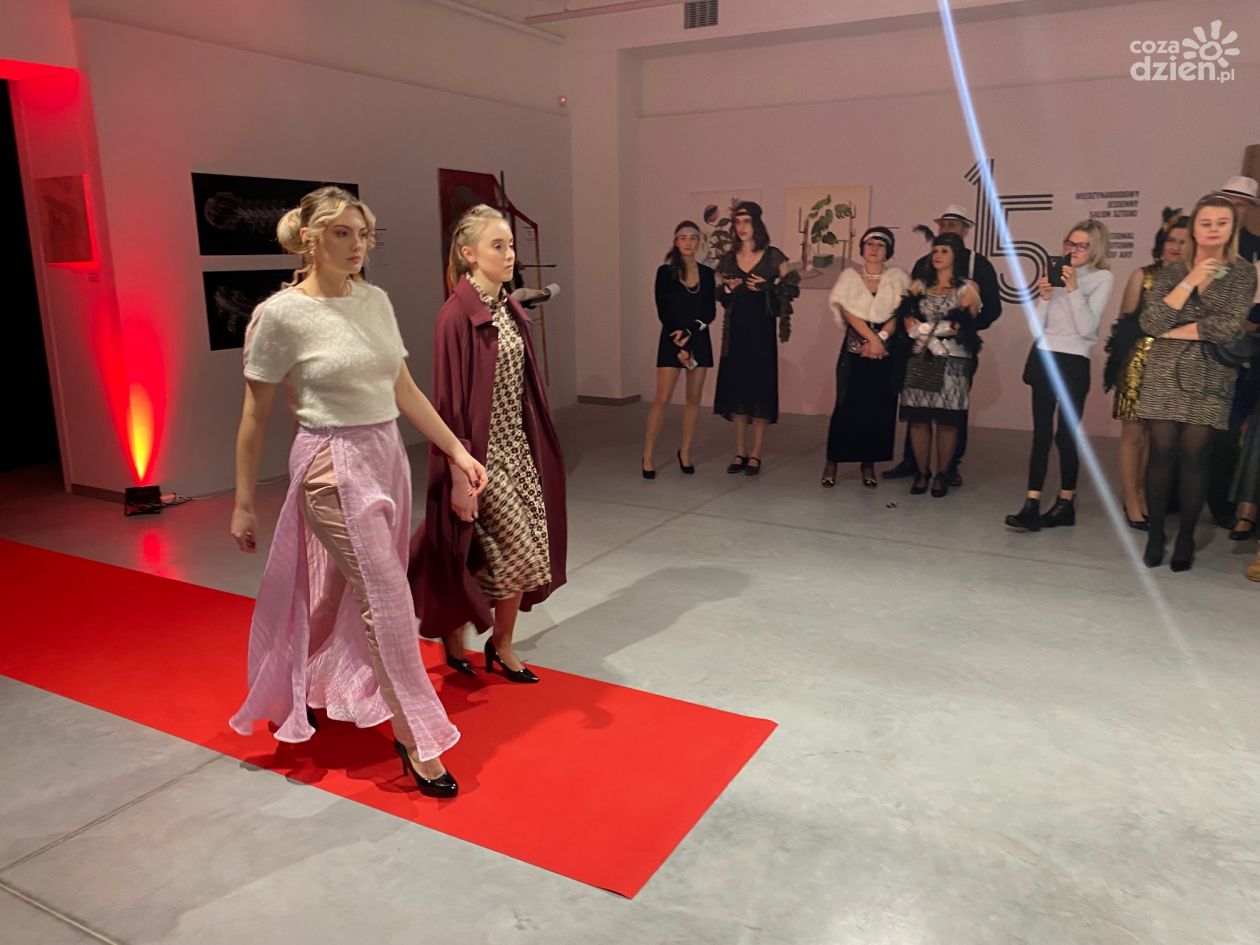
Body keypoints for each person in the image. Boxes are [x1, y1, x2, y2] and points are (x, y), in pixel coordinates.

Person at [229, 186, 486, 799]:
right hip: (331, 463)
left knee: (342, 592)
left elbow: (403, 388)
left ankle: (293, 686)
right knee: (389, 600)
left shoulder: (374, 301)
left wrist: (456, 450)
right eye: (342, 233)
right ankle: (418, 738)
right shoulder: (280, 315)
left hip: (385, 455)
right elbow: (254, 415)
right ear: (310, 239)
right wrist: (242, 502)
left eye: (364, 234)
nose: (357, 246)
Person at [409, 205, 567, 684]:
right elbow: (447, 402)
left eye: (511, 245)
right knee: (514, 549)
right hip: (479, 456)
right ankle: (467, 627)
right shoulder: (455, 315)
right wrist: (459, 472)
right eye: (498, 245)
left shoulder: (508, 308)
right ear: (468, 253)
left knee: (517, 548)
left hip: (517, 448)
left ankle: (494, 642)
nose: (509, 254)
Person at [1137, 193, 1257, 571]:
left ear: (1232, 228)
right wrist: (1190, 280)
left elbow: (1228, 327)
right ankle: (1156, 533)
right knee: (1160, 453)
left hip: (1210, 375)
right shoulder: (1172, 271)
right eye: (1206, 223)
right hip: (1164, 373)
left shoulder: (1242, 272)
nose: (1213, 230)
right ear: (1194, 229)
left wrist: (1175, 331)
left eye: (1222, 223)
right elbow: (1150, 322)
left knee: (1196, 457)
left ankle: (1186, 536)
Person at [1005, 220, 1114, 531]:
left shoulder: (1102, 278)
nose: (1073, 250)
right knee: (1040, 433)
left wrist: (1073, 289)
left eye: (1081, 245)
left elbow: (1087, 328)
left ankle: (1066, 502)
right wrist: (1044, 296)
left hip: (1074, 362)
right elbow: (1036, 328)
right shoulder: (1055, 274)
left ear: (1095, 249)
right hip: (1045, 357)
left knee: (1065, 434)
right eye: (1069, 243)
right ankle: (1032, 502)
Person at [885, 204, 1002, 485]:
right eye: (943, 224)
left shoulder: (978, 266)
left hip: (955, 354)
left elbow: (990, 308)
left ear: (965, 230)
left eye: (953, 224)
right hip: (922, 354)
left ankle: (948, 468)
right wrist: (920, 333)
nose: (947, 228)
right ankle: (916, 465)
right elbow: (908, 307)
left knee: (950, 415)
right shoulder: (923, 267)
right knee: (919, 413)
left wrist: (964, 329)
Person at [1102, 211, 1188, 529]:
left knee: (1158, 438)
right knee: (1134, 434)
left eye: (1182, 242)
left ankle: (1143, 490)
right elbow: (1125, 326)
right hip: (1139, 364)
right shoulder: (1143, 275)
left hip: (1176, 367)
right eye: (1170, 240)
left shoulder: (1197, 282)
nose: (1175, 247)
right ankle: (1131, 498)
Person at [713, 201, 800, 476]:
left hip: (762, 332)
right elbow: (719, 294)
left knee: (760, 391)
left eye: (746, 221)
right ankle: (740, 451)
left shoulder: (773, 255)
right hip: (736, 331)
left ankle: (756, 454)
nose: (741, 227)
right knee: (738, 391)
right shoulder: (729, 258)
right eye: (737, 222)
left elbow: (793, 286)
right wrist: (728, 290)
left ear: (757, 224)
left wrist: (768, 287)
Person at [820, 226, 910, 488]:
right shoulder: (849, 277)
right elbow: (848, 312)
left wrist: (881, 339)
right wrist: (871, 339)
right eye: (870, 244)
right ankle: (832, 461)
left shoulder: (897, 278)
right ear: (862, 248)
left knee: (879, 408)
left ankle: (868, 463)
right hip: (856, 348)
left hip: (885, 350)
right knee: (846, 406)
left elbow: (900, 312)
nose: (874, 249)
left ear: (888, 251)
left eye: (880, 245)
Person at [896, 232, 981, 498]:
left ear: (956, 255)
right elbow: (906, 319)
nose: (937, 256)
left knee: (947, 421)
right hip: (921, 357)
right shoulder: (918, 286)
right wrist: (926, 334)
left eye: (944, 251)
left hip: (953, 360)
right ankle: (922, 473)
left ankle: (942, 474)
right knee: (918, 418)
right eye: (935, 251)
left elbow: (959, 325)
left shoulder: (967, 288)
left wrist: (924, 329)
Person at [642, 221, 717, 478]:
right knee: (662, 398)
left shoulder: (707, 274)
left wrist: (690, 333)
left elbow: (709, 311)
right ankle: (648, 454)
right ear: (676, 242)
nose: (688, 242)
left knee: (693, 399)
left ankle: (685, 452)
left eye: (692, 238)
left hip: (698, 338)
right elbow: (663, 308)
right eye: (683, 237)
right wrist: (679, 336)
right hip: (671, 338)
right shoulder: (665, 272)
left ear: (698, 242)